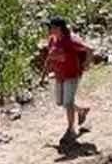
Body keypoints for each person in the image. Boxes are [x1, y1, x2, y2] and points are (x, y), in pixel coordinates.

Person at [43, 17, 92, 146]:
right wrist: (47, 69)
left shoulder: (71, 40)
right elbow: (50, 56)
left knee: (68, 102)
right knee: (61, 102)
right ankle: (81, 111)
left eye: (50, 27)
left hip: (71, 75)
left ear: (58, 28)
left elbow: (89, 49)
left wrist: (86, 64)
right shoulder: (52, 40)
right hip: (59, 76)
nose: (48, 29)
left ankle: (71, 129)